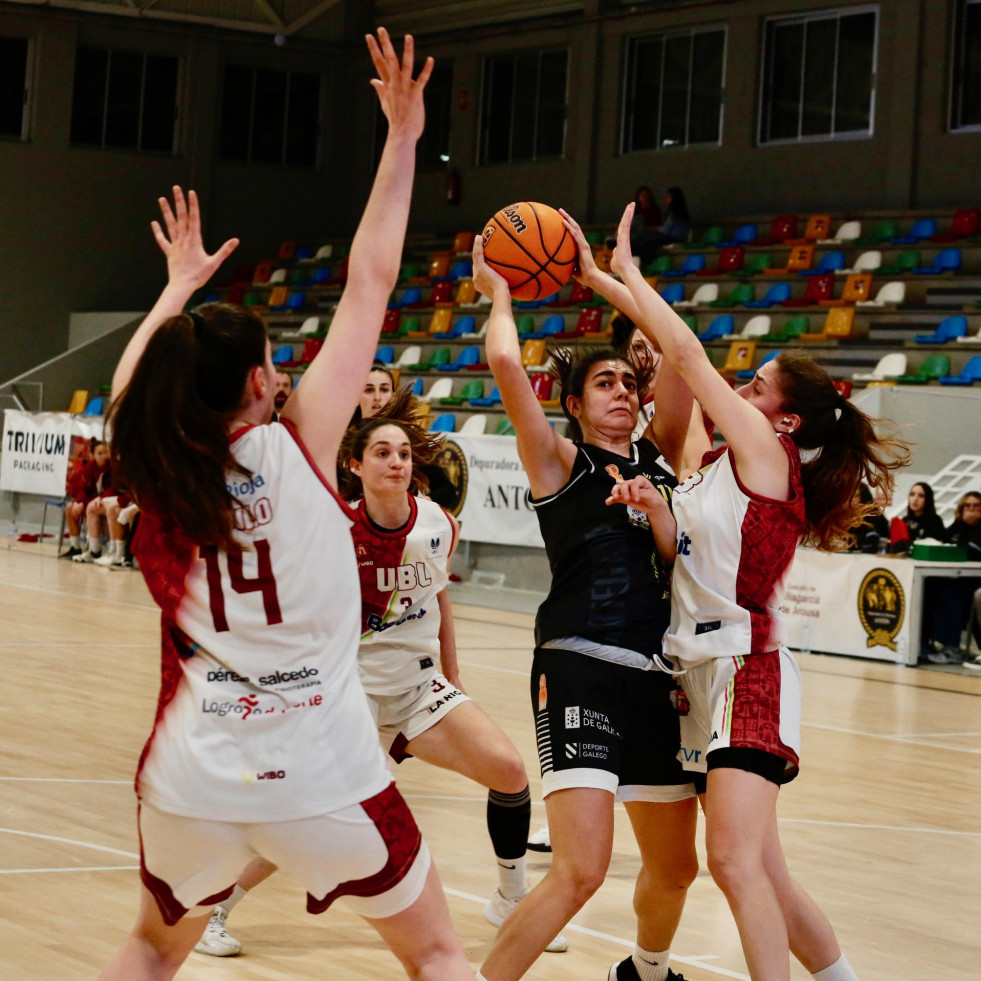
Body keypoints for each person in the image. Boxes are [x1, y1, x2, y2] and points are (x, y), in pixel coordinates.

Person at [95, 30, 475, 981]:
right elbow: (371, 279)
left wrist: (177, 289)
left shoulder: (158, 472)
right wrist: (400, 139)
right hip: (320, 767)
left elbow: (129, 391)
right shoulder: (301, 444)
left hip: (190, 772)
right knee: (433, 951)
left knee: (148, 947)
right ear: (264, 378)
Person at [608, 201, 909, 981]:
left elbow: (685, 352)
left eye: (757, 383)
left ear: (787, 416)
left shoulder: (765, 453)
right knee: (763, 870)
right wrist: (596, 280)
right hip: (694, 672)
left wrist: (628, 273)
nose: (742, 385)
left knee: (733, 863)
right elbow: (675, 374)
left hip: (749, 669)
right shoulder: (715, 463)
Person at [195, 392, 567, 959]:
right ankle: (213, 909)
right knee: (308, 814)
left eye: (402, 454)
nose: (396, 462)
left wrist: (454, 672)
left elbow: (440, 600)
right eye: (382, 453)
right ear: (355, 466)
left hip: (418, 687)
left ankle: (510, 899)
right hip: (351, 693)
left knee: (510, 772)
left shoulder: (440, 524)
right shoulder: (333, 532)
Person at [472, 216, 702, 981]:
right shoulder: (558, 461)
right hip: (576, 665)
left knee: (676, 870)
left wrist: (610, 279)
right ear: (573, 402)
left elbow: (675, 349)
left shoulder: (660, 457)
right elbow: (505, 361)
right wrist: (500, 292)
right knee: (579, 870)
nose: (623, 391)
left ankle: (644, 969)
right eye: (604, 382)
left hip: (655, 676)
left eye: (627, 384)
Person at [922, 490, 981, 664]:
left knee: (952, 594)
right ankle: (925, 641)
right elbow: (943, 545)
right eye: (967, 506)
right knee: (932, 586)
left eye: (976, 506)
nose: (971, 510)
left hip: (976, 578)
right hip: (957, 577)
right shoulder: (956, 527)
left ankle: (952, 647)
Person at [61, 439, 109, 559]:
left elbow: (113, 489)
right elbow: (83, 489)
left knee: (91, 508)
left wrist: (86, 502)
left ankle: (95, 550)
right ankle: (75, 547)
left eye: (106, 452)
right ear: (92, 455)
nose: (104, 456)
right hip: (93, 501)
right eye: (100, 453)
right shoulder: (90, 467)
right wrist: (79, 502)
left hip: (105, 500)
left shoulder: (112, 467)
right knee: (70, 507)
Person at [632, 187, 691, 267]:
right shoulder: (673, 212)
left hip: (675, 238)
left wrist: (653, 229)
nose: (666, 198)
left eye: (668, 196)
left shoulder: (676, 213)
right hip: (669, 236)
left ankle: (648, 263)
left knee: (648, 243)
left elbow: (665, 230)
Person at [891, 481, 945, 553]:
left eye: (921, 496)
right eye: (912, 494)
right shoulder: (905, 520)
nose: (915, 499)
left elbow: (928, 546)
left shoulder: (935, 521)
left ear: (928, 500)